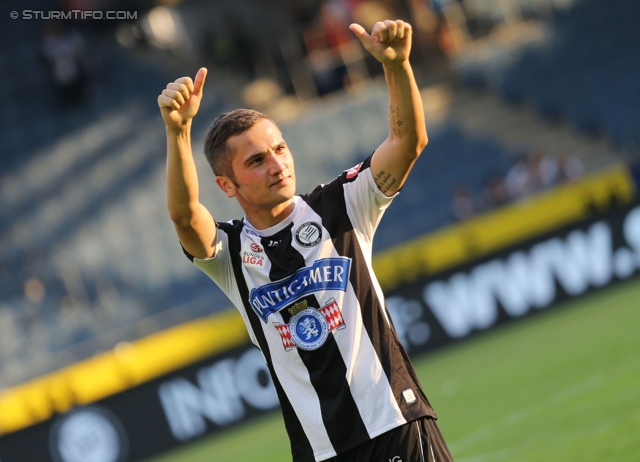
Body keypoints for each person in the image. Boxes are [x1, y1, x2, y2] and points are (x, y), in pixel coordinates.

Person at [158, 19, 453, 462]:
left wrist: (397, 66)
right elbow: (184, 215)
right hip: (320, 451)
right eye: (256, 160)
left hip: (394, 422)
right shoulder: (231, 256)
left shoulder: (343, 205)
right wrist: (178, 132)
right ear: (227, 185)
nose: (277, 164)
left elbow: (408, 141)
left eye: (279, 149)